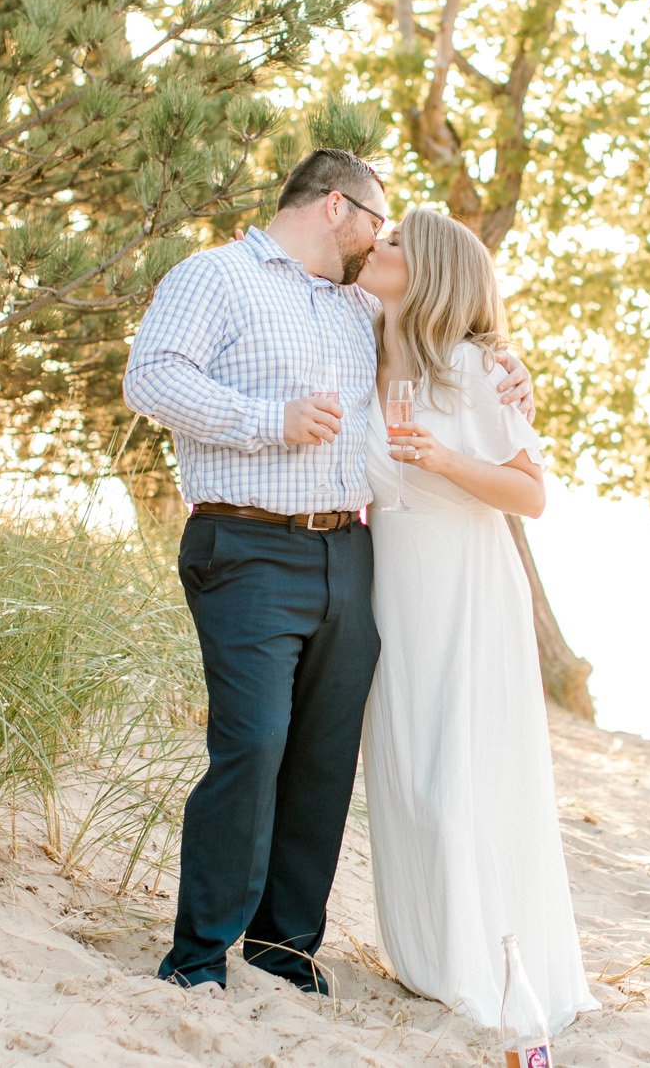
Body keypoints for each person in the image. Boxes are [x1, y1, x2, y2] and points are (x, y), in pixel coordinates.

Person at [122, 150, 531, 997]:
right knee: (256, 739)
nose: (383, 240)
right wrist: (270, 420)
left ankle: (284, 948)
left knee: (322, 756)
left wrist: (508, 359)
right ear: (338, 207)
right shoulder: (216, 277)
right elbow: (152, 378)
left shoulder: (355, 307)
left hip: (350, 552)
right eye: (379, 223)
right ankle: (199, 954)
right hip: (247, 545)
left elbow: (444, 332)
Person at [356, 207, 598, 1032]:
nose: (374, 246)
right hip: (391, 578)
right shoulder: (362, 343)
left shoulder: (470, 368)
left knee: (455, 778)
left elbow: (531, 493)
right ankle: (429, 958)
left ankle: (485, 965)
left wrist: (445, 456)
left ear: (424, 272)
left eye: (392, 243)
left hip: (464, 575)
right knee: (404, 770)